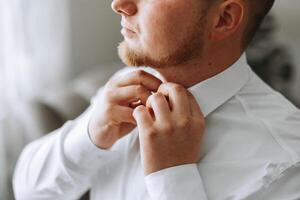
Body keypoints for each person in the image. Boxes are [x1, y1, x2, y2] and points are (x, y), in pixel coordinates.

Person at [13, 0, 300, 199]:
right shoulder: (125, 85)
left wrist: (172, 178)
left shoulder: (287, 164)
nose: (119, 4)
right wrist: (89, 135)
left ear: (224, 19)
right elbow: (26, 190)